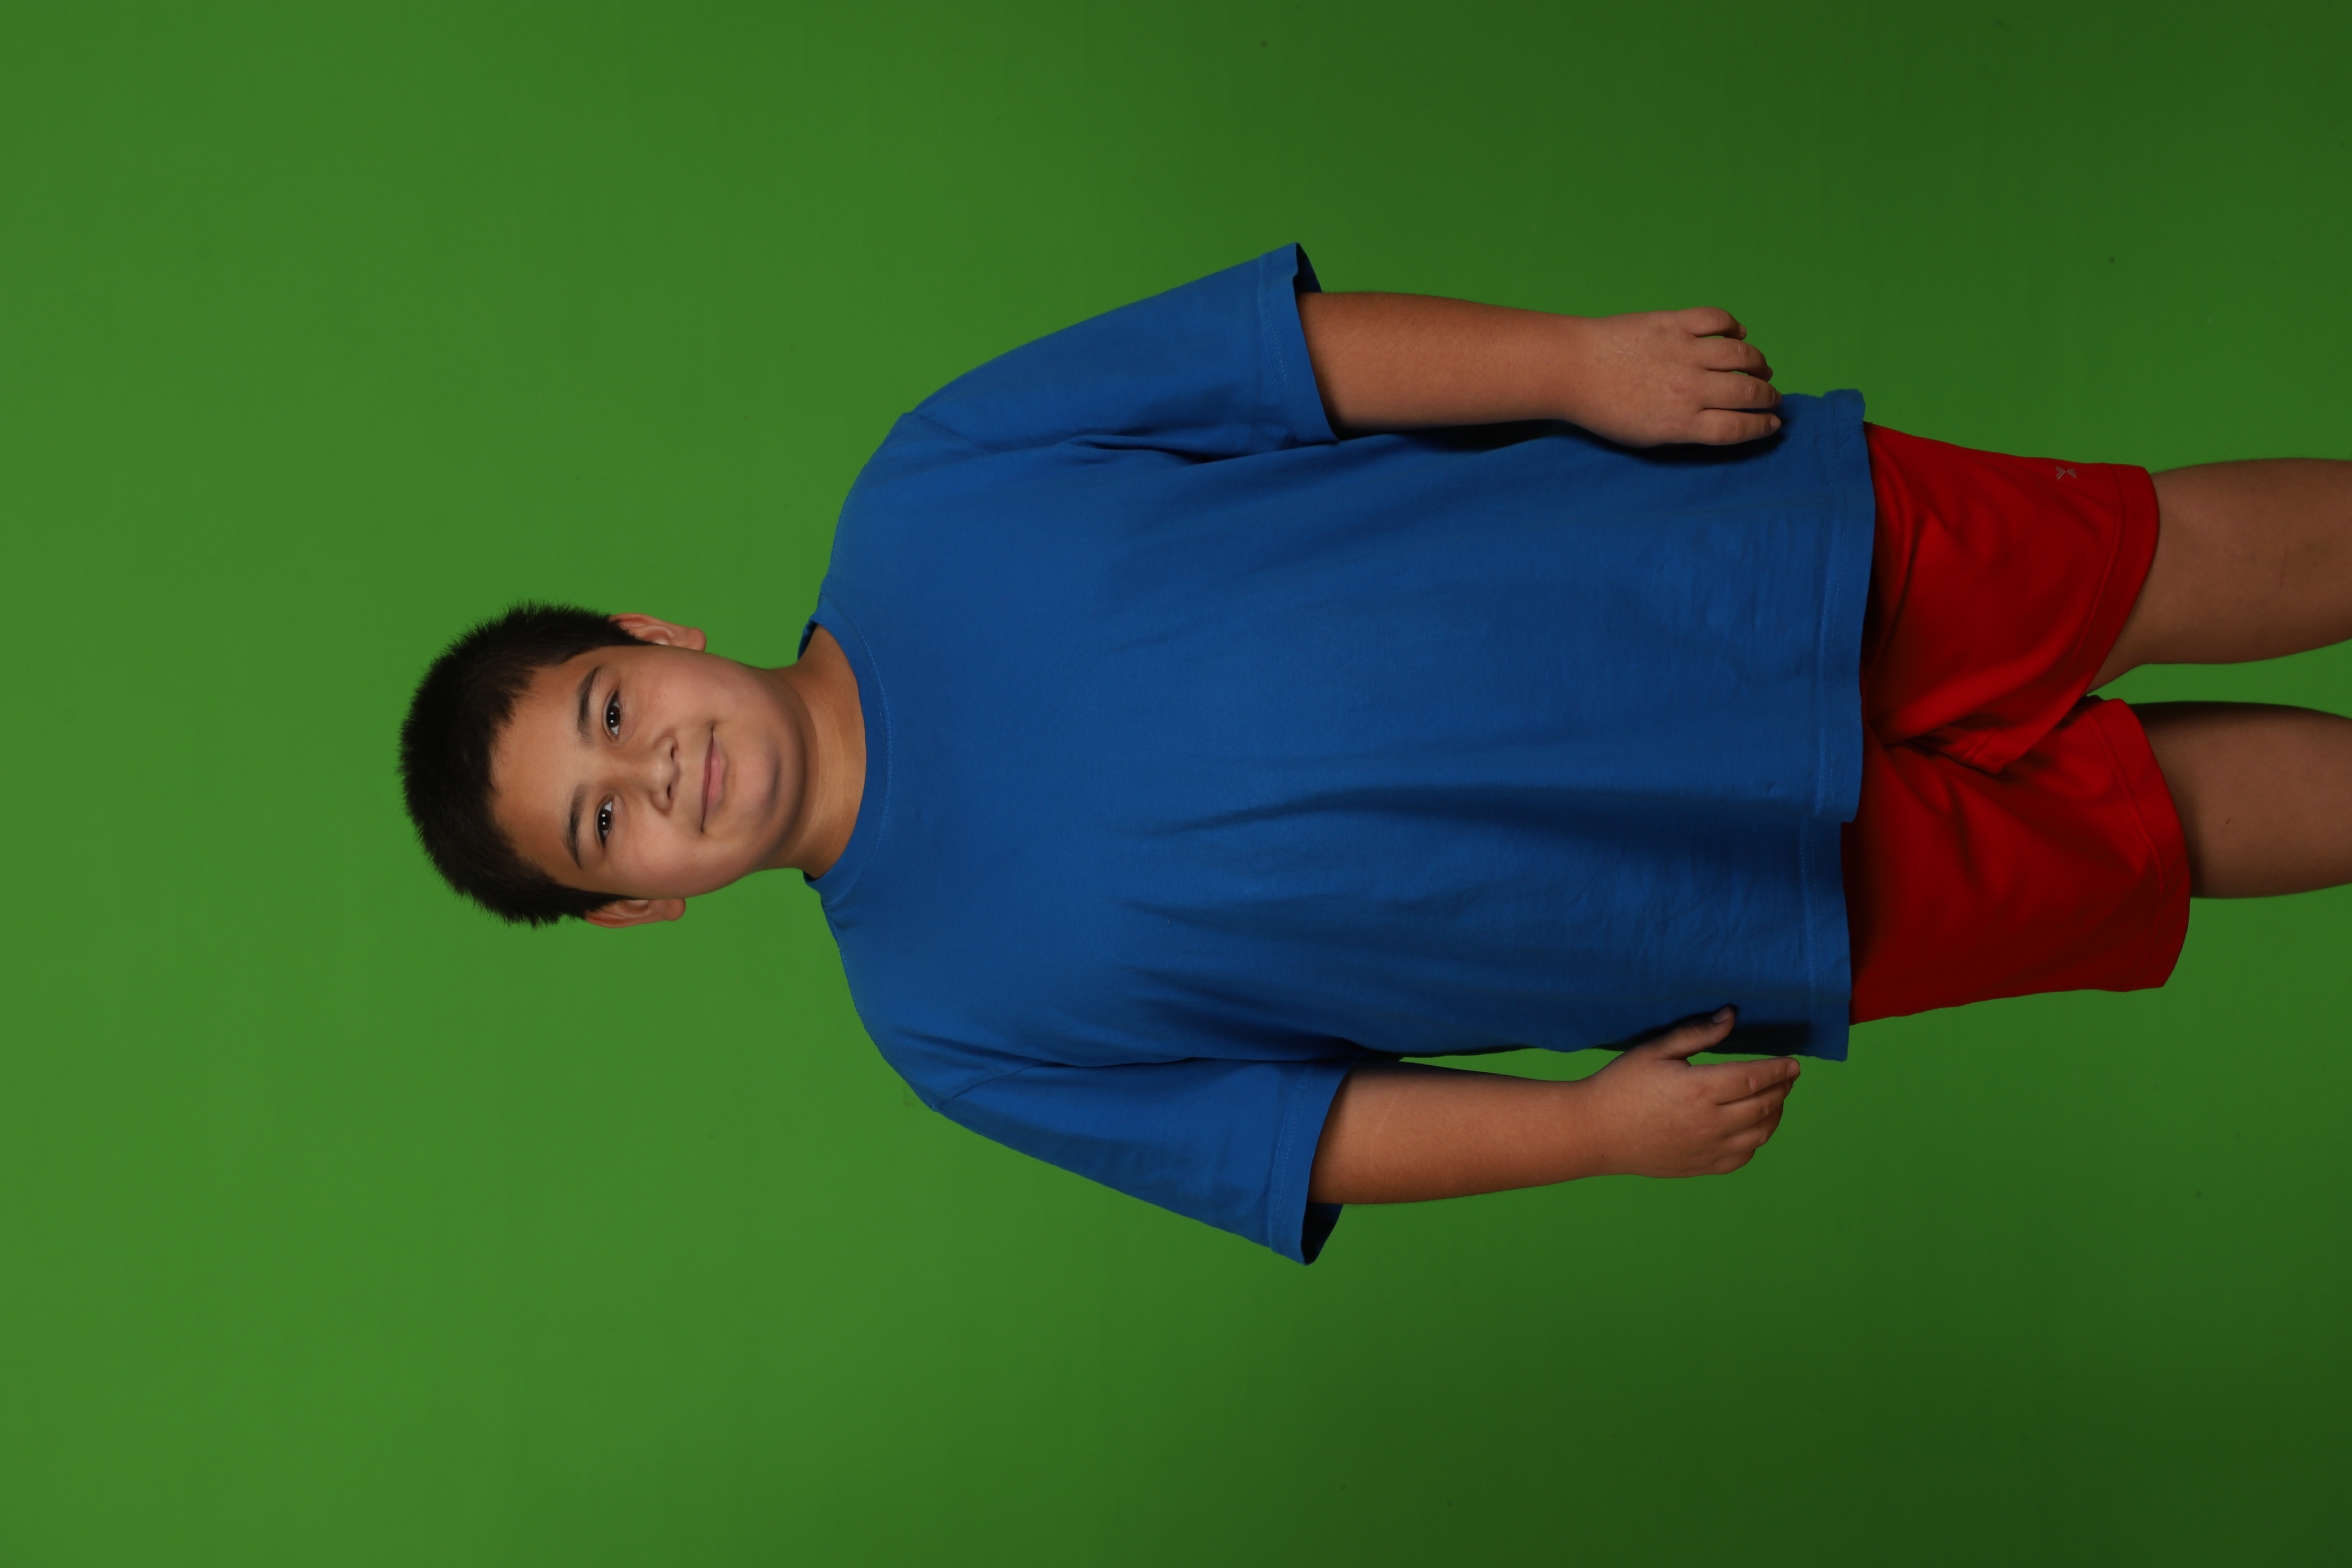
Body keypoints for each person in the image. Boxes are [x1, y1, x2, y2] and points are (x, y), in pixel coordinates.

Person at [400, 246, 2352, 1262]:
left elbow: (1280, 366)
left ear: (655, 638)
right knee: (2150, 829)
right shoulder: (947, 1028)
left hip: (1698, 562)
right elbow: (1298, 1133)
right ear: (636, 910)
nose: (657, 777)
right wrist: (1582, 1133)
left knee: (2144, 558)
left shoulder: (933, 482)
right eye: (603, 829)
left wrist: (1577, 362)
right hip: (1688, 902)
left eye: (611, 714)